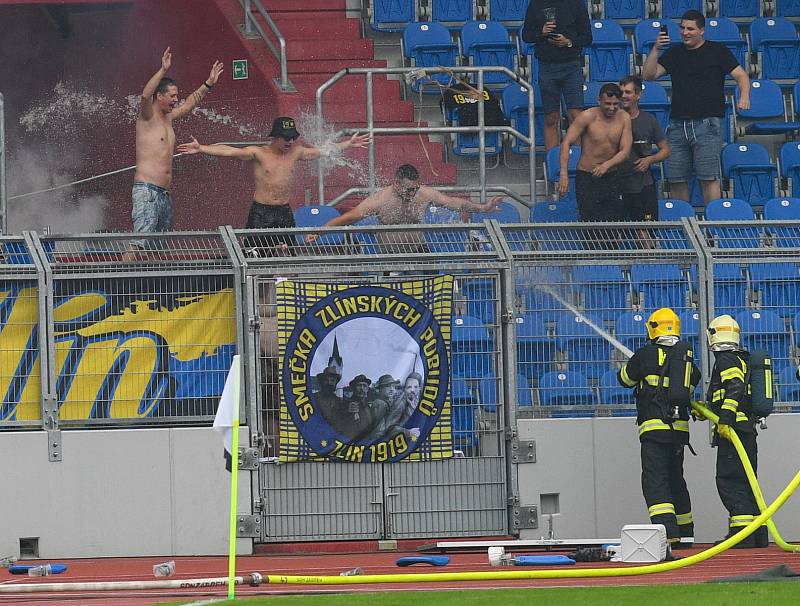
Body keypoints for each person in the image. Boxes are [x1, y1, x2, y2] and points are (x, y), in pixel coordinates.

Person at [177, 118, 370, 255]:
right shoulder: (259, 153)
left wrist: (347, 144)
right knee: (253, 256)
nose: (290, 141)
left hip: (283, 212)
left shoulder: (296, 152)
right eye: (286, 138)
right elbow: (229, 151)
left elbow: (323, 151)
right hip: (260, 212)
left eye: (293, 137)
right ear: (275, 137)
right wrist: (201, 148)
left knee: (289, 255)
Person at [642, 10, 750, 205]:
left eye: (690, 29)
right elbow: (649, 75)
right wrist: (656, 49)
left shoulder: (717, 51)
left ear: (702, 30)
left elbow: (741, 76)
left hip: (707, 125)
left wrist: (744, 97)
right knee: (676, 179)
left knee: (708, 179)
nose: (685, 32)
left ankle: (711, 232)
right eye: (682, 28)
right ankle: (683, 229)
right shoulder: (674, 52)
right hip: (677, 125)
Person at [125, 47, 223, 261]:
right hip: (147, 191)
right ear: (159, 96)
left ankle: (153, 291)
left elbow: (188, 105)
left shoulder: (168, 118)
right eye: (172, 96)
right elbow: (144, 95)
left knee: (157, 251)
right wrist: (162, 69)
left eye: (176, 95)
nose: (176, 99)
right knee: (138, 245)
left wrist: (208, 84)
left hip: (163, 194)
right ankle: (119, 287)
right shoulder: (147, 117)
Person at [618, 308, 701, 550]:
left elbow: (624, 379)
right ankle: (686, 533)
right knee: (676, 479)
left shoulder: (645, 354)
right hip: (679, 433)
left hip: (654, 432)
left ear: (652, 328)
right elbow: (692, 382)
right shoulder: (684, 358)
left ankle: (668, 534)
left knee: (655, 480)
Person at [304, 164, 503, 251]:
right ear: (396, 183)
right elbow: (349, 218)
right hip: (388, 254)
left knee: (434, 274)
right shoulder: (381, 199)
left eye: (415, 188)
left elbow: (453, 203)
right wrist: (320, 232)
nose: (412, 194)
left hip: (417, 249)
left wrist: (483, 208)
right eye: (408, 189)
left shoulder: (423, 193)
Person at [705, 314, 768, 548]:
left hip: (734, 430)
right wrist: (708, 411)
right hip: (746, 429)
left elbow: (735, 387)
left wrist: (725, 419)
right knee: (748, 481)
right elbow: (728, 393)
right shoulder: (741, 358)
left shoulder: (725, 359)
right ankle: (758, 532)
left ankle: (741, 532)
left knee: (730, 480)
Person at [522, 0, 593, 150]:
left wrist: (568, 42)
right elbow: (526, 35)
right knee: (551, 118)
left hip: (571, 65)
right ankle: (551, 166)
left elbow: (587, 37)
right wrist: (541, 32)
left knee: (576, 115)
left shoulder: (577, 4)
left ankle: (577, 166)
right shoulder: (536, 4)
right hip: (546, 66)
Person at [559, 83, 632, 223]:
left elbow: (625, 151)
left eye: (615, 104)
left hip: (611, 176)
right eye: (608, 103)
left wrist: (606, 165)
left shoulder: (624, 118)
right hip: (587, 176)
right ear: (599, 100)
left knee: (614, 222)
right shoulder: (587, 116)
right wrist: (564, 174)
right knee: (590, 222)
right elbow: (566, 143)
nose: (612, 108)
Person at [618, 75, 670, 223]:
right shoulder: (611, 119)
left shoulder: (649, 120)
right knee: (614, 232)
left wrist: (649, 160)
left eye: (628, 92)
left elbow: (666, 150)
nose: (623, 96)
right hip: (617, 183)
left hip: (643, 184)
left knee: (645, 230)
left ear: (638, 94)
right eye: (621, 92)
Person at [383, 372, 423, 441]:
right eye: (409, 387)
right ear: (405, 389)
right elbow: (390, 428)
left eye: (415, 387)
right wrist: (408, 432)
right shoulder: (400, 404)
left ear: (419, 388)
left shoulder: (419, 401)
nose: (412, 390)